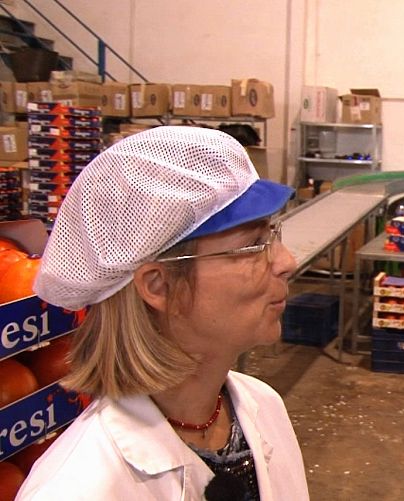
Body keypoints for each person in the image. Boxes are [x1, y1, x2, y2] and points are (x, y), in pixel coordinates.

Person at [17, 127, 310, 500]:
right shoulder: (77, 487)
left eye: (273, 234)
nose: (287, 261)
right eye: (254, 245)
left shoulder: (262, 406)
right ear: (158, 286)